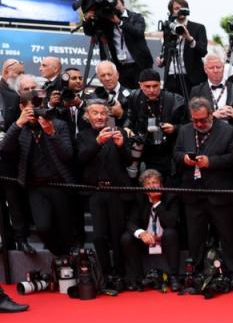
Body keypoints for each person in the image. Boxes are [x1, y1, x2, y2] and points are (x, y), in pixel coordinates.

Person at [173, 96, 233, 288]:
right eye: (195, 120)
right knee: (195, 238)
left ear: (212, 114)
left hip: (219, 193)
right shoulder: (186, 130)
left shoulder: (229, 131)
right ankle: (195, 274)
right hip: (193, 193)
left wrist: (211, 162)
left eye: (203, 120)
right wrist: (185, 160)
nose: (199, 124)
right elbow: (176, 152)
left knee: (229, 237)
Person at [2, 80, 75, 256]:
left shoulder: (58, 125)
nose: (37, 110)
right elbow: (5, 148)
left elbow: (67, 155)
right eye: (32, 107)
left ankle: (66, 260)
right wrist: (19, 123)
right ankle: (60, 255)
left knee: (65, 227)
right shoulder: (20, 128)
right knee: (43, 227)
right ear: (22, 107)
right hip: (35, 187)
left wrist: (51, 133)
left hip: (59, 184)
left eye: (39, 105)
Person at [76, 100, 133, 285]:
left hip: (116, 191)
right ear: (88, 116)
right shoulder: (83, 136)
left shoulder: (120, 132)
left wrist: (120, 145)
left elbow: (128, 161)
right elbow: (81, 159)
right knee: (99, 235)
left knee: (117, 234)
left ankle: (121, 274)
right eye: (95, 113)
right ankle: (106, 274)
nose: (100, 116)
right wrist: (97, 142)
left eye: (103, 113)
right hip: (95, 191)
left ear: (108, 115)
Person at [120, 169, 181, 290]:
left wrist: (157, 203)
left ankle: (174, 276)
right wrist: (142, 233)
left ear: (161, 185)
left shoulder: (171, 197)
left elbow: (172, 223)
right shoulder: (139, 199)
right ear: (143, 188)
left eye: (155, 182)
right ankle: (138, 278)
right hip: (146, 242)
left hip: (166, 241)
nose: (152, 186)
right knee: (126, 238)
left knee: (170, 233)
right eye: (148, 184)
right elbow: (131, 222)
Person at [0, 73, 37, 254]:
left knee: (14, 202)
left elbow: (19, 126)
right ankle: (5, 241)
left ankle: (21, 240)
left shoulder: (12, 97)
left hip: (8, 159)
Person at [125, 69, 186, 178]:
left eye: (155, 86)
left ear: (160, 84)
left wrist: (174, 128)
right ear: (140, 85)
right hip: (143, 149)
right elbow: (130, 119)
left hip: (167, 150)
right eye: (147, 87)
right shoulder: (134, 97)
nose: (152, 90)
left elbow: (188, 126)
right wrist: (127, 129)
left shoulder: (175, 100)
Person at [158, 0, 208, 97]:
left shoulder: (198, 28)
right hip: (172, 76)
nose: (180, 11)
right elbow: (167, 49)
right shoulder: (168, 28)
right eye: (177, 9)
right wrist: (162, 60)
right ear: (171, 12)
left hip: (191, 78)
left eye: (183, 8)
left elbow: (203, 51)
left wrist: (189, 38)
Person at [107, 0, 154, 89]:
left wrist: (120, 22)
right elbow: (90, 31)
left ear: (123, 4)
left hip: (139, 65)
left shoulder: (136, 17)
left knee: (143, 94)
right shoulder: (107, 22)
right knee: (125, 97)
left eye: (116, 2)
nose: (114, 5)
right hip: (121, 67)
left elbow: (138, 32)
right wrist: (87, 18)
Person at [190, 53, 233, 126]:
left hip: (232, 133)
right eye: (211, 68)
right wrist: (212, 116)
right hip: (207, 133)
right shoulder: (197, 91)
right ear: (205, 69)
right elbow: (191, 117)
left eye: (218, 67)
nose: (215, 70)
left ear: (223, 68)